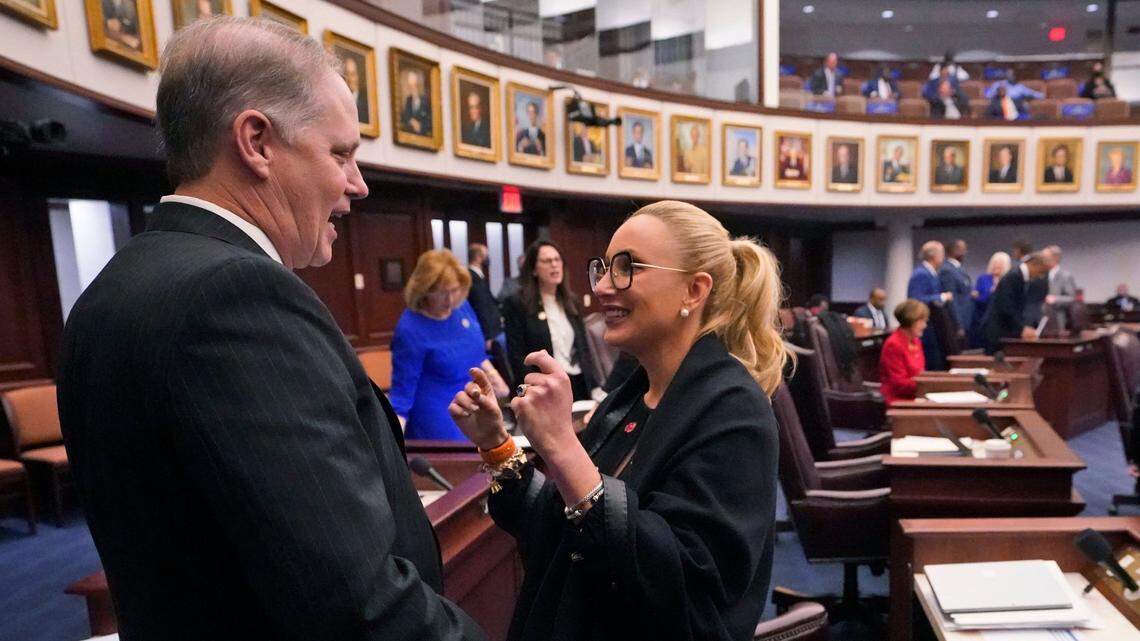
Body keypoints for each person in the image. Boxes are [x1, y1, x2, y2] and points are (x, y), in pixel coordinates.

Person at [56, 18, 486, 640]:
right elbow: (356, 606)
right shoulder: (236, 298)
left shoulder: (115, 285)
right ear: (256, 141)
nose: (356, 185)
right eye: (340, 154)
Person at [448, 200, 787, 641]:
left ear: (693, 291)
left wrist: (563, 446)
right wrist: (497, 446)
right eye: (603, 269)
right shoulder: (628, 399)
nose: (603, 287)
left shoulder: (733, 411)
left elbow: (683, 593)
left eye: (627, 268)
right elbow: (565, 535)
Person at [391, 250, 507, 440]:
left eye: (454, 290)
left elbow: (474, 351)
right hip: (437, 419)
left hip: (473, 405)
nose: (450, 300)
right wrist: (393, 445)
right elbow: (402, 394)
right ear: (424, 290)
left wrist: (493, 375)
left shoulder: (461, 308)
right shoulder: (410, 328)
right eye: (442, 293)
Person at [501, 240, 598, 401]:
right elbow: (517, 356)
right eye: (547, 261)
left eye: (557, 259)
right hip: (543, 388)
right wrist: (530, 392)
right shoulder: (517, 303)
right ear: (534, 269)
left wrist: (594, 386)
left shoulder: (572, 301)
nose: (554, 265)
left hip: (578, 383)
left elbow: (583, 349)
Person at [980, 252, 1053, 354]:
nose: (1040, 276)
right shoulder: (1013, 276)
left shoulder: (1021, 277)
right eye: (1041, 272)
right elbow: (1006, 307)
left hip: (1006, 330)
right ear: (1034, 265)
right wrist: (1022, 328)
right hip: (997, 332)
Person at [907, 241, 953, 370]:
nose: (943, 258)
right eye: (942, 254)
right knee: (931, 360)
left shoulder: (931, 273)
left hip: (934, 324)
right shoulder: (921, 273)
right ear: (934, 256)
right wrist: (941, 297)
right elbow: (916, 299)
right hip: (925, 327)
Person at [879, 299, 929, 406]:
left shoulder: (916, 341)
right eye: (921, 321)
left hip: (917, 396)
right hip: (897, 401)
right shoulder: (893, 344)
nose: (925, 326)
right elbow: (899, 384)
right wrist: (929, 386)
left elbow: (921, 373)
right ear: (910, 321)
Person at [971, 251, 1011, 348]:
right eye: (994, 264)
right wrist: (991, 293)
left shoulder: (1008, 280)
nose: (995, 266)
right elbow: (976, 299)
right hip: (982, 317)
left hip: (1002, 321)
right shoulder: (983, 279)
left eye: (999, 265)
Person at [466, 243, 502, 350]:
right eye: (486, 255)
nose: (488, 258)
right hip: (487, 333)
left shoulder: (478, 276)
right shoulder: (473, 277)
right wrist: (488, 335)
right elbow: (481, 307)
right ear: (478, 257)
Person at [939, 239, 975, 335]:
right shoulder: (948, 270)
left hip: (966, 320)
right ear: (956, 250)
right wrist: (958, 324)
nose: (965, 253)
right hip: (957, 323)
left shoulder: (959, 269)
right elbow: (952, 299)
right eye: (964, 249)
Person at [400, 69, 432, 136]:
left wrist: (421, 126)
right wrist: (412, 121)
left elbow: (431, 121)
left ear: (418, 85)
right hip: (410, 133)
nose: (412, 88)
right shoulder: (409, 99)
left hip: (423, 135)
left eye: (414, 85)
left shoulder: (426, 100)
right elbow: (405, 116)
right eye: (410, 86)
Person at [342, 56, 369, 124]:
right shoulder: (338, 101)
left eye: (352, 74)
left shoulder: (367, 104)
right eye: (346, 74)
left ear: (357, 77)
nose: (350, 79)